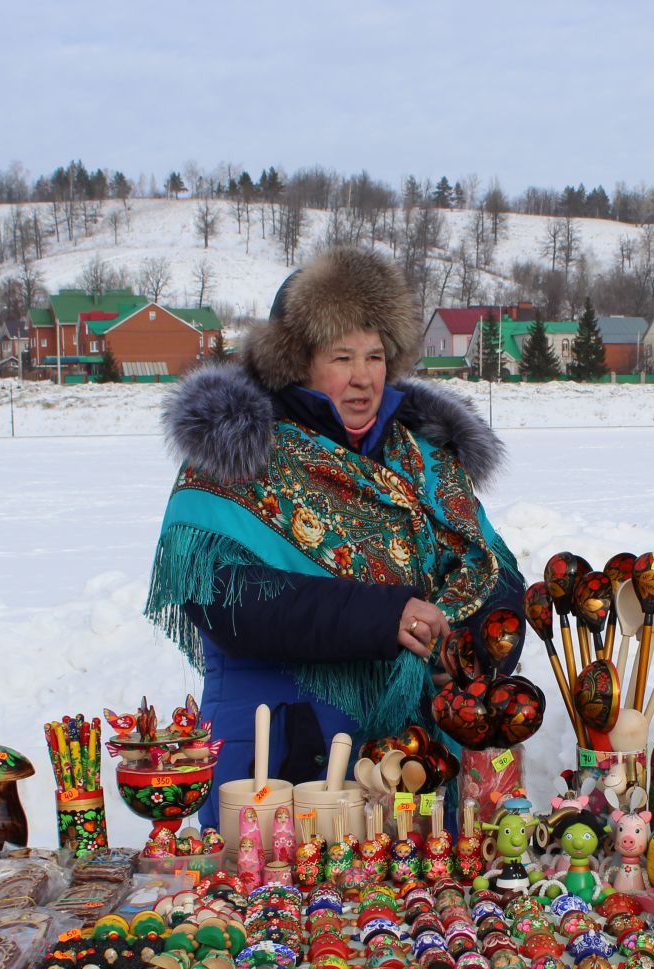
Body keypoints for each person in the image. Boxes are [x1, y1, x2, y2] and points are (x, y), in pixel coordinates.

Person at [146, 248, 523, 816]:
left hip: (413, 765)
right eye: (341, 356)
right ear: (296, 361)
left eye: (374, 356)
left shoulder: (425, 461)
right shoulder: (240, 458)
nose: (363, 378)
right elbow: (222, 596)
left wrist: (469, 647)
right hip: (280, 761)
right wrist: (383, 616)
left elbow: (496, 574)